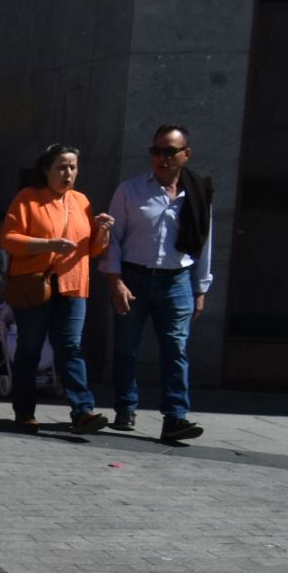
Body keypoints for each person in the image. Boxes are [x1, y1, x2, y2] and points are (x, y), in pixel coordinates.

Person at [103, 124, 213, 442]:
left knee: (175, 348)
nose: (161, 158)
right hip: (134, 276)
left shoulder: (197, 194)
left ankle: (175, 417)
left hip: (177, 279)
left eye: (169, 152)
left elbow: (204, 242)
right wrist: (116, 282)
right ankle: (125, 407)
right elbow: (113, 240)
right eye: (156, 151)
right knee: (126, 348)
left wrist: (201, 288)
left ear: (185, 154)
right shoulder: (130, 191)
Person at [0, 142, 113, 434]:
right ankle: (24, 412)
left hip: (73, 285)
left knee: (71, 348)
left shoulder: (81, 201)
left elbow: (93, 250)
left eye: (73, 167)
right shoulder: (28, 198)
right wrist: (48, 245)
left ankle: (83, 411)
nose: (68, 173)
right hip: (36, 285)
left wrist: (103, 231)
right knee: (30, 349)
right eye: (62, 167)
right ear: (46, 170)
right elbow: (8, 239)